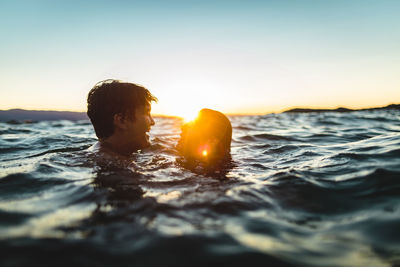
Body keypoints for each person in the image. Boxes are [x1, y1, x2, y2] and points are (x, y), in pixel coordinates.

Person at [87, 79, 157, 157]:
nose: (152, 122)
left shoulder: (102, 155)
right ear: (122, 120)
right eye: (147, 113)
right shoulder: (112, 163)